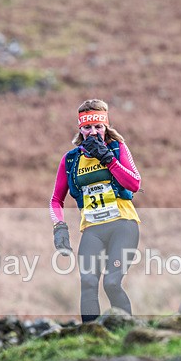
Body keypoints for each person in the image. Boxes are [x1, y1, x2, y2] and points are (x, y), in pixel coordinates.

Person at [49, 99, 142, 323]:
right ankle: (91, 337)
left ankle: (127, 332)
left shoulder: (117, 148)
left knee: (111, 282)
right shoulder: (71, 160)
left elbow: (134, 184)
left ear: (105, 127)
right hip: (93, 230)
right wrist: (59, 227)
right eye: (87, 127)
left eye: (98, 127)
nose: (93, 132)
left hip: (123, 225)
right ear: (80, 129)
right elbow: (55, 200)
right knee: (88, 283)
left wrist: (108, 160)